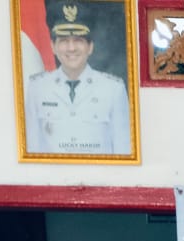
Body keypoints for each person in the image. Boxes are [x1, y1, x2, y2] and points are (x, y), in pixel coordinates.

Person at [23, 2, 132, 156]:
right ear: (53, 46)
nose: (71, 48)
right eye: (64, 41)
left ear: (90, 47)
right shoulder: (37, 88)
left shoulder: (113, 90)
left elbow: (123, 150)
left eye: (78, 40)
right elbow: (32, 150)